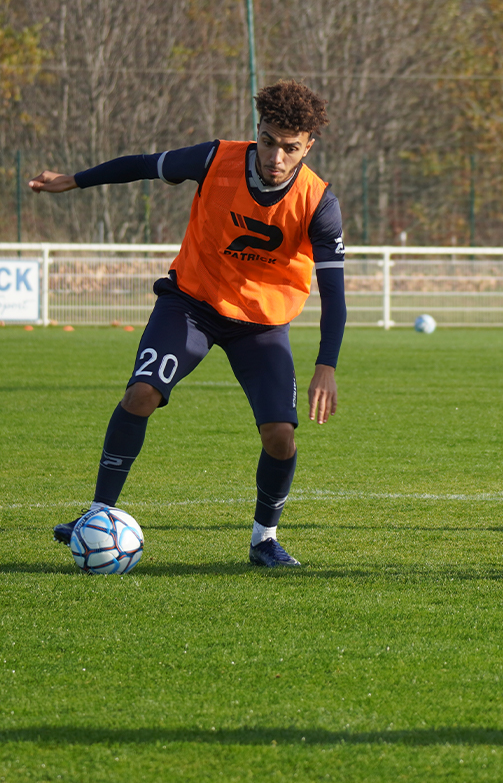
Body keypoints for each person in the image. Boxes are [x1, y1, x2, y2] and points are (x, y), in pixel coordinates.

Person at [30, 80, 346, 568]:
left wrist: (326, 363)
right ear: (257, 132)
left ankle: (264, 540)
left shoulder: (319, 201)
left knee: (280, 434)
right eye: (267, 141)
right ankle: (96, 514)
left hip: (260, 325)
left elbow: (335, 294)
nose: (276, 156)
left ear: (308, 146)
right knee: (141, 394)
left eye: (290, 148)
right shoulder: (215, 158)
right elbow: (142, 165)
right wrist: (75, 179)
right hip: (192, 304)